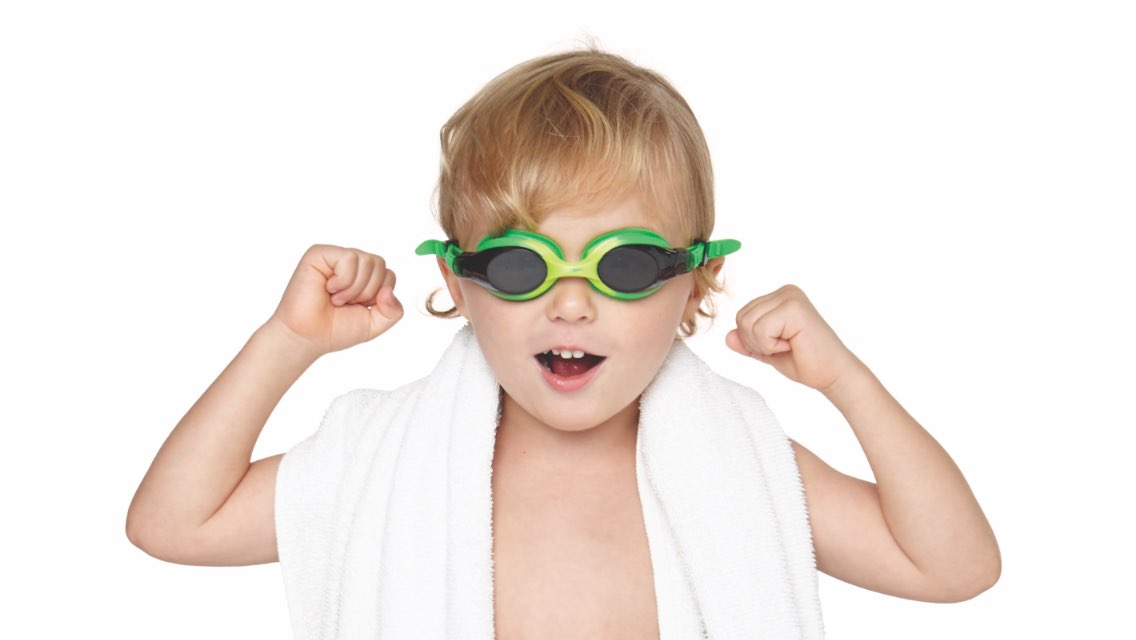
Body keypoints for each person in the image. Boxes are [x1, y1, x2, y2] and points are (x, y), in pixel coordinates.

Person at [126, 48, 1000, 638]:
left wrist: (846, 381)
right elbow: (174, 523)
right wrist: (287, 342)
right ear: (460, 286)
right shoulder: (387, 460)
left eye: (622, 265)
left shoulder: (741, 462)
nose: (572, 305)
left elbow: (952, 567)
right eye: (518, 266)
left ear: (695, 283)